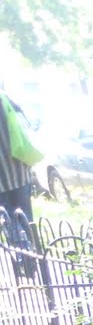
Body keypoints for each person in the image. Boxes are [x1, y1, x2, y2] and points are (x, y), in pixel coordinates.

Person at [0, 91, 41, 227]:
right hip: (20, 172)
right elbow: (26, 126)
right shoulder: (4, 98)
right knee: (27, 222)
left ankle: (21, 246)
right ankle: (31, 246)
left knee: (10, 226)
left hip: (3, 182)